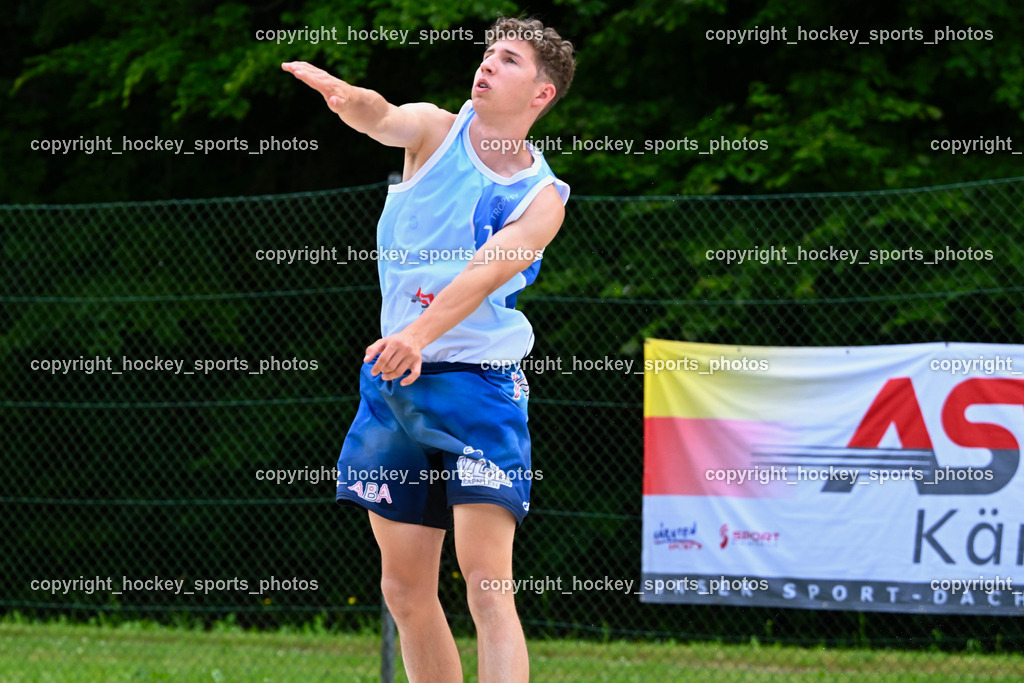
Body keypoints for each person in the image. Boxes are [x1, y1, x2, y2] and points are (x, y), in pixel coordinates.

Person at [283, 16, 575, 682]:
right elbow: (382, 115)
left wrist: (417, 334)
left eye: (509, 60)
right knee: (404, 589)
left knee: (486, 584)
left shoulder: (541, 199)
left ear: (541, 94)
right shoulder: (436, 133)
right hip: (396, 382)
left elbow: (482, 272)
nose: (489, 65)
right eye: (488, 53)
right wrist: (345, 99)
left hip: (478, 386)